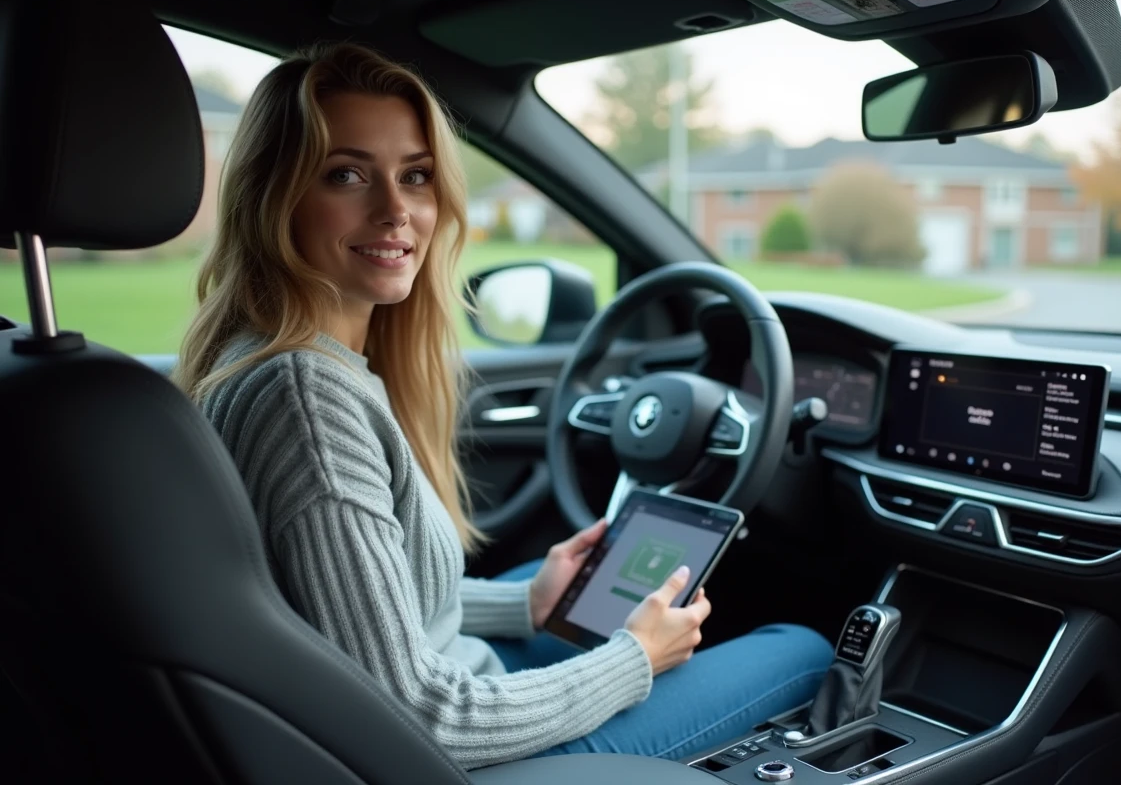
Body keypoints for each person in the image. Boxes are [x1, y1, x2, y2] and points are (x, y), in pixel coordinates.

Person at [174, 42, 833, 770]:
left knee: (570, 594)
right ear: (274, 197)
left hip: (420, 699)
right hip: (448, 754)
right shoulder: (308, 399)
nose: (396, 210)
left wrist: (525, 607)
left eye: (416, 177)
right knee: (798, 649)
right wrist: (634, 659)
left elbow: (351, 606)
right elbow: (418, 715)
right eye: (347, 174)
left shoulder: (258, 358)